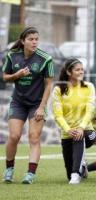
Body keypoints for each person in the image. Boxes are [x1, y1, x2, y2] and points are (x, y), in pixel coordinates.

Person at [2, 27, 54, 184]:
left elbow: (49, 85)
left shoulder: (45, 59)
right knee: (14, 136)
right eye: (31, 39)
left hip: (37, 104)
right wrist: (17, 75)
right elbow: (5, 77)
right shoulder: (12, 56)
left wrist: (42, 107)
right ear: (23, 41)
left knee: (34, 137)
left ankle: (30, 173)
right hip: (18, 102)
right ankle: (9, 169)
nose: (34, 42)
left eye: (36, 39)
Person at [52, 58, 96, 184]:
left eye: (82, 69)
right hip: (68, 133)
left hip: (88, 132)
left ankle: (76, 174)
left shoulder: (89, 87)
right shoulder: (58, 90)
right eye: (77, 70)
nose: (81, 72)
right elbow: (58, 115)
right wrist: (68, 130)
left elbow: (90, 110)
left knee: (79, 137)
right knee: (68, 173)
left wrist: (81, 127)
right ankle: (81, 167)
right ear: (69, 72)